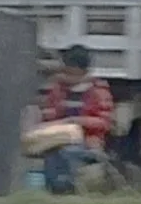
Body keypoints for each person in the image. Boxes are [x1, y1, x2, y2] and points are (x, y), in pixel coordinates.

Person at [35, 44, 117, 194]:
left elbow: (105, 122)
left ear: (83, 71)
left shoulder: (98, 91)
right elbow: (49, 114)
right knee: (51, 153)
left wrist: (76, 121)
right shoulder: (58, 89)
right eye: (66, 71)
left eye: (72, 73)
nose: (68, 77)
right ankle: (54, 190)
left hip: (88, 141)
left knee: (69, 153)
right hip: (58, 138)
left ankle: (70, 188)